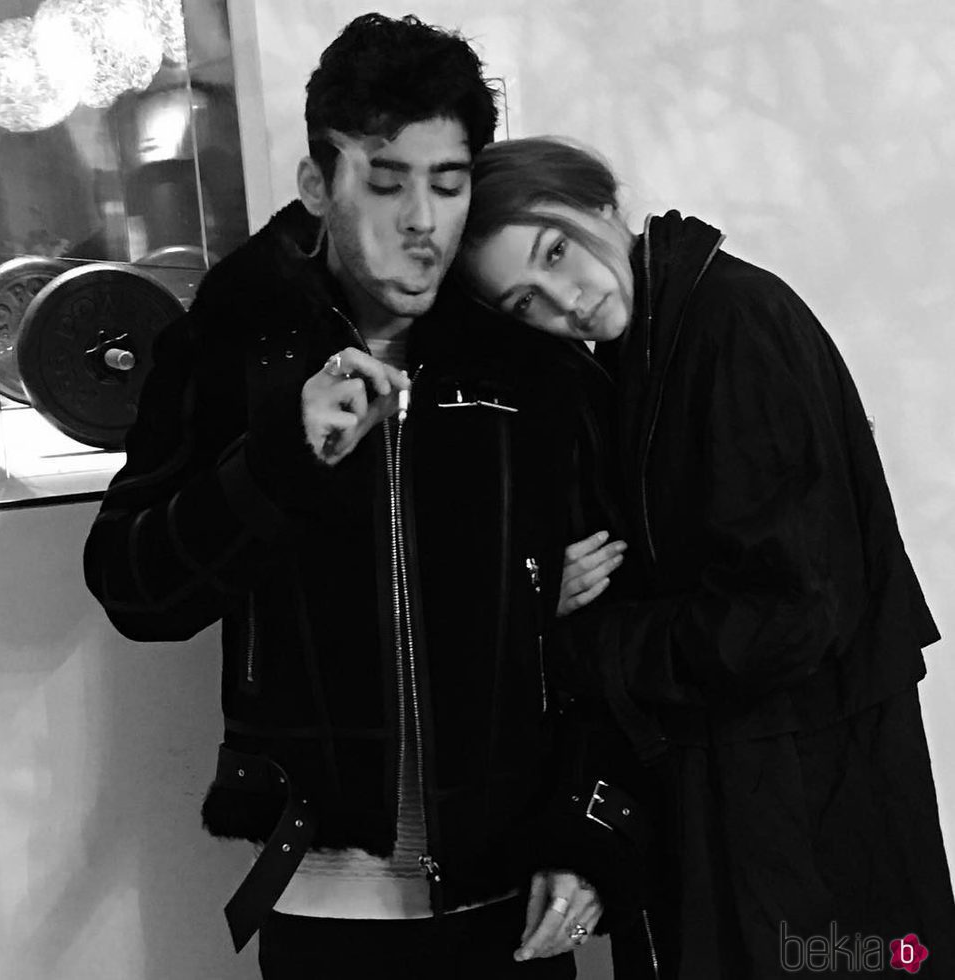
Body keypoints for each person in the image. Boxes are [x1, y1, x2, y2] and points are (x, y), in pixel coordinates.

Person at [82, 16, 648, 980]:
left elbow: (613, 619)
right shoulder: (235, 345)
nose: (423, 220)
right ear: (318, 183)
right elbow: (138, 593)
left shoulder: (526, 357)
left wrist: (591, 830)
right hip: (320, 894)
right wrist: (276, 460)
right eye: (387, 183)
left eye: (449, 183)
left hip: (510, 894)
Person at [456, 136, 955, 978]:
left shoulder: (730, 323)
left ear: (598, 201)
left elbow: (790, 614)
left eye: (556, 252)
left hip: (811, 812)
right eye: (525, 300)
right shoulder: (634, 357)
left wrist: (584, 644)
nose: (564, 300)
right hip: (746, 799)